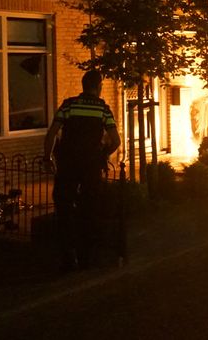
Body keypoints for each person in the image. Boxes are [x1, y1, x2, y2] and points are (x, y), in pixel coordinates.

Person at [44, 70, 120, 272]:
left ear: (83, 85)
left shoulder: (68, 105)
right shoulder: (103, 109)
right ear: (99, 86)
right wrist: (103, 154)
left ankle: (68, 258)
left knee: (64, 209)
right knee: (89, 209)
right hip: (90, 167)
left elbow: (51, 134)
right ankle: (86, 257)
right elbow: (116, 141)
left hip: (68, 165)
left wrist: (47, 158)